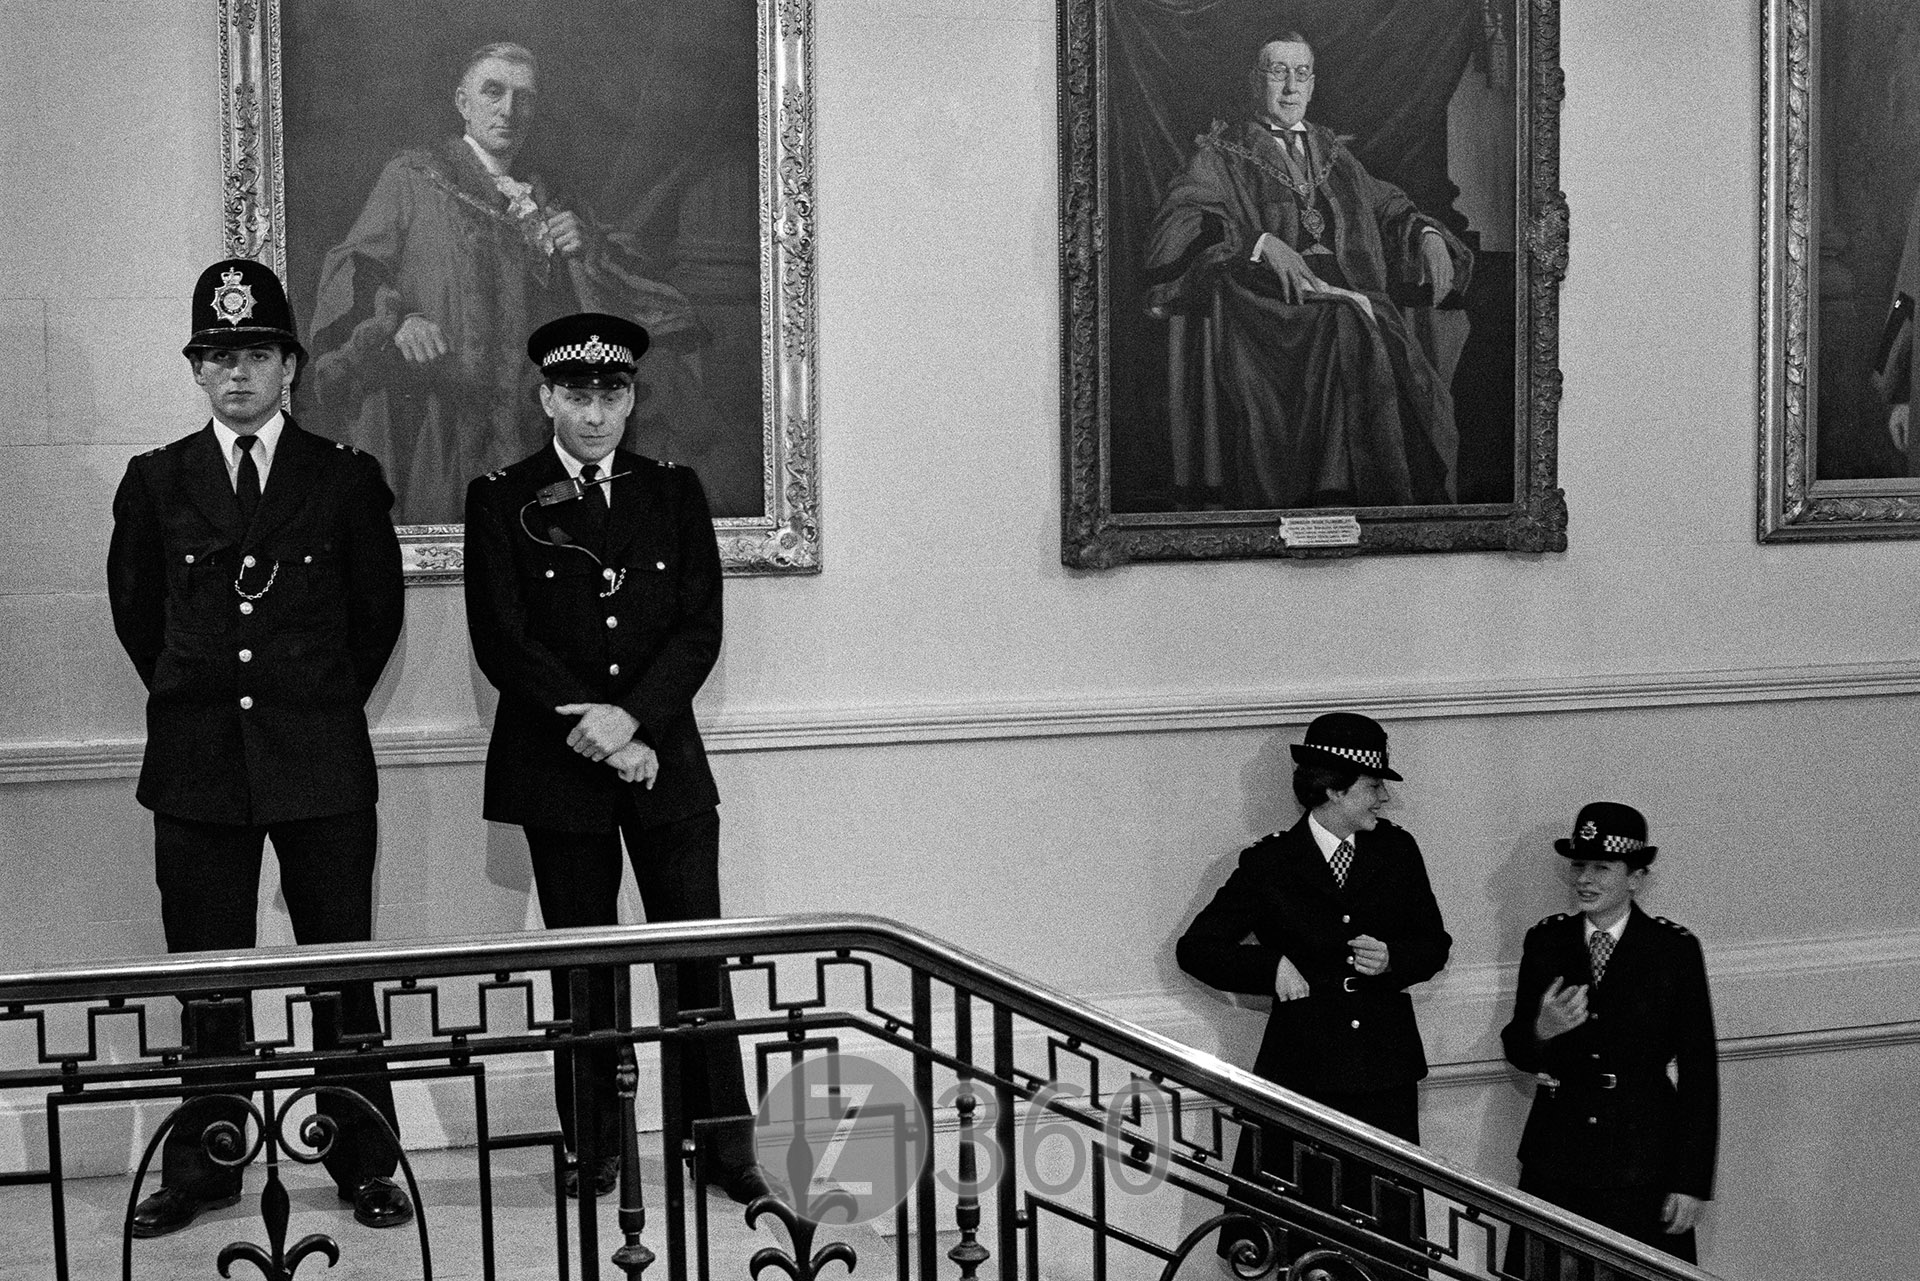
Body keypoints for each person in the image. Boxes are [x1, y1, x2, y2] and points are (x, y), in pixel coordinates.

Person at [105, 258, 412, 1236]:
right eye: (215, 355)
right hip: (197, 764)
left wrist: (311, 710)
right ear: (197, 371)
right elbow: (138, 617)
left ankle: (363, 1157)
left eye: (254, 354)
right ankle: (204, 1164)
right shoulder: (157, 482)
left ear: (291, 364)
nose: (234, 372)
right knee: (205, 977)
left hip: (319, 761)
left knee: (341, 974)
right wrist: (211, 703)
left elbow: (374, 618)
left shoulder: (345, 478)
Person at [462, 311, 770, 1204]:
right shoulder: (500, 496)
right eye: (577, 395)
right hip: (559, 768)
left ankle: (722, 1145)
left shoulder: (671, 491)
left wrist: (633, 722)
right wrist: (597, 730)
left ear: (631, 399)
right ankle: (593, 1145)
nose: (596, 414)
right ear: (545, 397)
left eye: (612, 394)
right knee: (586, 967)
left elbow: (697, 627)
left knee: (697, 961)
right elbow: (502, 638)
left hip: (663, 757)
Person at [304, 41, 741, 525]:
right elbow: (356, 268)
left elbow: (603, 302)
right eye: (493, 92)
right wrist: (400, 319)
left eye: (523, 97)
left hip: (534, 421)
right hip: (444, 415)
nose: (509, 110)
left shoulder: (549, 197)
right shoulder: (413, 178)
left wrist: (585, 250)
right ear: (462, 103)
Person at [1144, 32, 1474, 510]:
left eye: (1301, 74)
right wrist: (1256, 245)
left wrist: (1426, 235)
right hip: (1267, 306)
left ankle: (1377, 496)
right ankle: (1329, 488)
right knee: (1346, 321)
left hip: (1345, 296)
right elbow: (1173, 230)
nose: (1290, 88)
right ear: (1254, 81)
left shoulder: (1333, 152)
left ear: (1314, 83)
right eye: (1277, 72)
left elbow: (1388, 206)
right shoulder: (1223, 153)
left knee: (1360, 318)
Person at [1176, 713, 1451, 1258]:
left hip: (1382, 1078)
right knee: (1295, 1239)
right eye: (1374, 787)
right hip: (1302, 1076)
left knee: (1385, 1242)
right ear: (1332, 788)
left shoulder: (1398, 852)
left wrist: (1395, 959)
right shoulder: (1272, 862)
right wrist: (1268, 967)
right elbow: (1198, 949)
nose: (1383, 800)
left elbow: (1434, 944)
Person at [1500, 803, 1719, 1273]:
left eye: (1602, 867)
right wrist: (1542, 1030)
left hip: (1643, 1159)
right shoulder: (1547, 941)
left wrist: (1691, 1180)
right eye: (1579, 865)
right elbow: (1516, 1048)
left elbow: (1700, 1071)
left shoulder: (1672, 950)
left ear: (1636, 877)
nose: (1585, 878)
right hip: (1558, 1155)